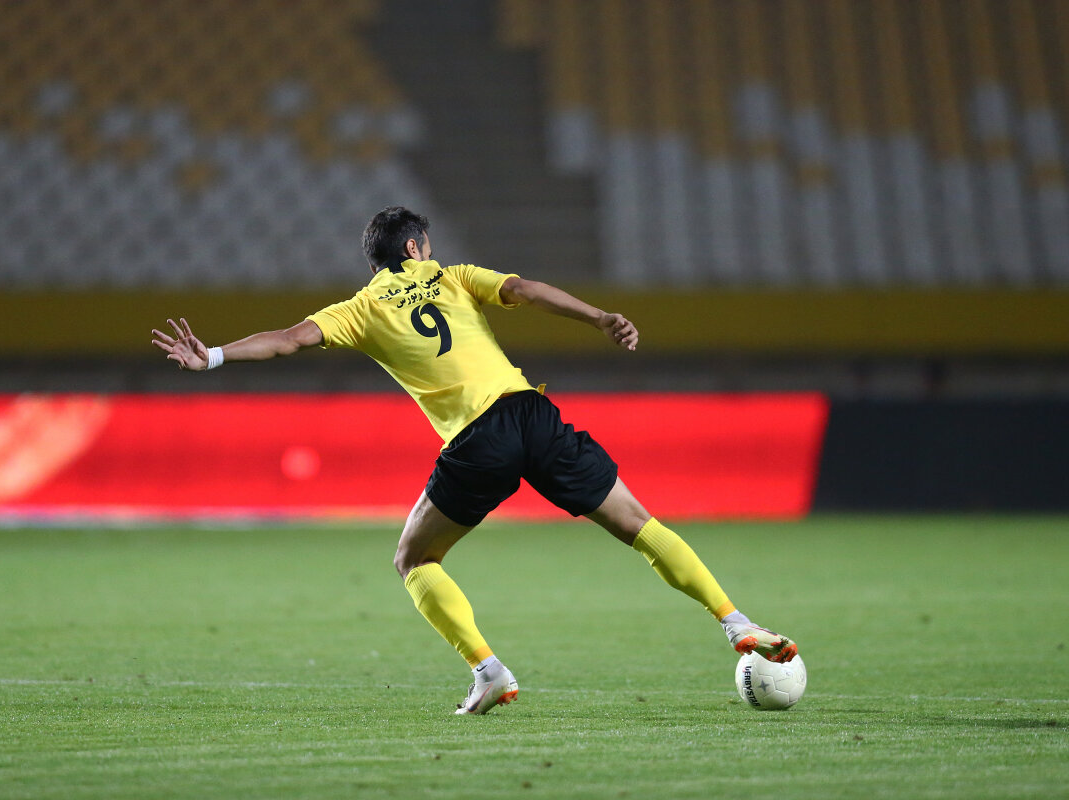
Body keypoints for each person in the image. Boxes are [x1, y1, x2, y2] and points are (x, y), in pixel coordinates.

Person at [152, 206, 798, 715]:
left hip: (477, 439)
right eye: (426, 243)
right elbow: (526, 290)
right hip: (530, 412)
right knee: (639, 525)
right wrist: (599, 317)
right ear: (415, 248)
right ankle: (736, 622)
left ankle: (488, 671)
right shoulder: (454, 276)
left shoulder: (361, 309)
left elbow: (289, 340)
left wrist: (213, 356)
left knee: (414, 559)